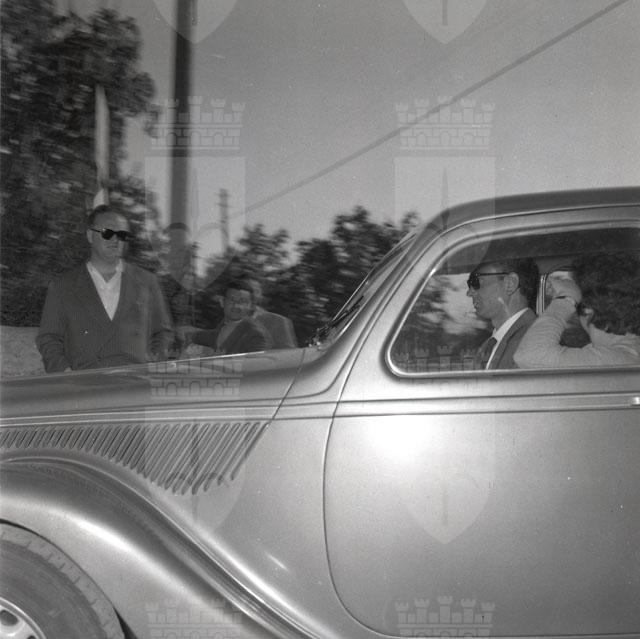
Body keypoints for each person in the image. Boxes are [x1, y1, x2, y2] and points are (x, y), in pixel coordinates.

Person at [36, 205, 173, 372]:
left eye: (122, 235)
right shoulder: (62, 286)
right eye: (107, 233)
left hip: (137, 381)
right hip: (84, 382)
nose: (115, 240)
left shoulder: (147, 282)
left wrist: (155, 366)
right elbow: (48, 338)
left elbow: (163, 333)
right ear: (90, 235)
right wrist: (65, 373)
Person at [514, 252, 640, 368]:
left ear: (587, 308)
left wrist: (566, 298)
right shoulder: (624, 354)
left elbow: (529, 355)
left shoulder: (615, 361)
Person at [466, 257, 539, 369]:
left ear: (510, 284)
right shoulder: (490, 345)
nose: (469, 292)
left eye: (476, 282)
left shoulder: (533, 342)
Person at [185, 279, 268, 355]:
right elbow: (211, 336)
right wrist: (189, 334)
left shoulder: (255, 335)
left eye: (243, 302)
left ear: (250, 306)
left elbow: (256, 364)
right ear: (222, 302)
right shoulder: (224, 325)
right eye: (232, 300)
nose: (236, 306)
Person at [240, 276, 298, 349]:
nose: (252, 295)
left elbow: (288, 353)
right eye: (247, 291)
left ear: (261, 295)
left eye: (256, 291)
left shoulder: (278, 322)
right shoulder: (228, 321)